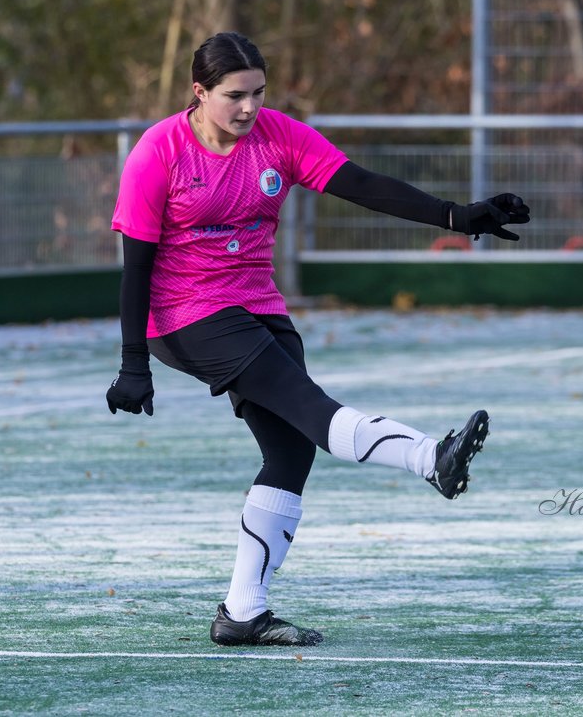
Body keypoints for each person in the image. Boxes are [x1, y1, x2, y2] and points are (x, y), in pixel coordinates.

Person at [106, 32, 530, 648]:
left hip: (256, 305)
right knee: (315, 411)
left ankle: (242, 612)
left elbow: (362, 185)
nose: (249, 109)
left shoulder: (278, 136)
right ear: (199, 94)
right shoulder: (158, 153)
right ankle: (430, 458)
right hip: (184, 314)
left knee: (291, 451)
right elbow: (136, 267)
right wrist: (132, 362)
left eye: (258, 93)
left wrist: (458, 217)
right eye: (234, 96)